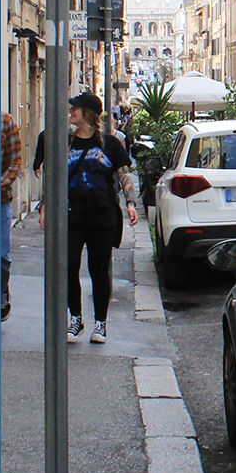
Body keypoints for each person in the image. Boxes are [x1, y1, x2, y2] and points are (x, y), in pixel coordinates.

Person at [39, 92, 138, 344]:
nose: (70, 113)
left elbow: (124, 174)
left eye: (75, 109)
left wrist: (131, 203)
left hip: (103, 215)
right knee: (69, 265)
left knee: (98, 270)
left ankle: (100, 323)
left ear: (87, 114)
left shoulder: (110, 143)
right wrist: (44, 206)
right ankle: (76, 318)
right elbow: (53, 177)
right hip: (72, 214)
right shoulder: (66, 143)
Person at [1, 112, 22, 321]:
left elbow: (15, 161)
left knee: (0, 256)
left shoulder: (4, 122)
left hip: (0, 200)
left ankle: (0, 290)